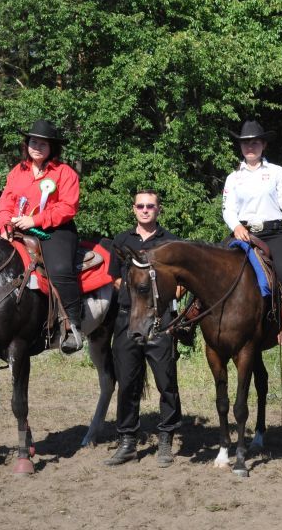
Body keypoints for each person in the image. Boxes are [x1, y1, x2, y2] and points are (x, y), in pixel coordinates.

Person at [104, 190, 183, 467]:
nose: (145, 210)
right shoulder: (122, 240)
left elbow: (182, 282)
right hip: (127, 319)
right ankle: (127, 441)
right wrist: (133, 294)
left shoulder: (171, 242)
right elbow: (113, 278)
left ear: (158, 209)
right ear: (134, 209)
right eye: (141, 206)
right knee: (126, 382)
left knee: (166, 382)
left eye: (150, 206)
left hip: (160, 320)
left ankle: (166, 438)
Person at [0, 119, 83, 353]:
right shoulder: (17, 171)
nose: (37, 147)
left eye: (43, 144)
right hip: (16, 228)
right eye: (33, 141)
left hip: (56, 230)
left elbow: (67, 207)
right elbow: (6, 202)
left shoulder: (65, 173)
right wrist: (4, 225)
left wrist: (35, 220)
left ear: (52, 148)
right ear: (27, 144)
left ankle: (73, 325)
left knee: (61, 269)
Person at [222, 120, 282, 349]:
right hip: (242, 232)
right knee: (211, 263)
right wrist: (236, 226)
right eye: (246, 143)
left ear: (263, 145)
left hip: (272, 233)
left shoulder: (277, 172)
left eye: (255, 142)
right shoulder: (233, 177)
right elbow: (228, 208)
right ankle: (189, 322)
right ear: (240, 146)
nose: (250, 147)